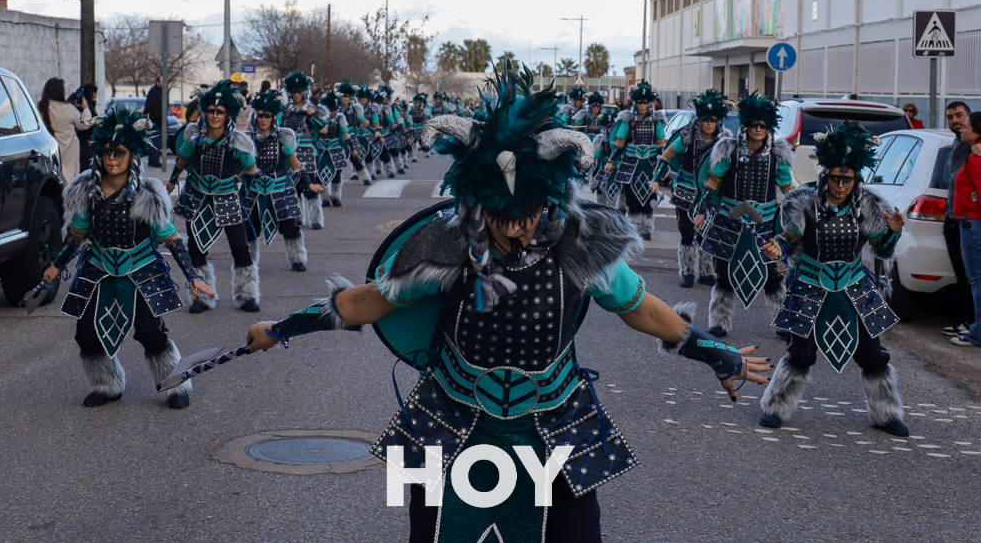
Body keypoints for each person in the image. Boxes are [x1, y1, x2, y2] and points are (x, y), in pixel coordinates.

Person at [244, 66, 770, 542]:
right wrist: (283, 326)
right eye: (500, 212)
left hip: (556, 417)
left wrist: (710, 352)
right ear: (476, 201)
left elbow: (638, 307)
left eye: (528, 211)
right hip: (448, 416)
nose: (515, 226)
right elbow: (366, 303)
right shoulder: (445, 247)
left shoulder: (579, 246)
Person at [43, 108, 212, 409]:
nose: (111, 159)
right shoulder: (88, 190)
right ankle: (107, 384)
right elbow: (77, 235)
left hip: (142, 270)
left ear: (132, 155)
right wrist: (56, 266)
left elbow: (171, 238)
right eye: (106, 152)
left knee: (150, 332)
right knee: (86, 335)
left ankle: (175, 384)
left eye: (118, 152)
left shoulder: (148, 193)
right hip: (98, 269)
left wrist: (193, 276)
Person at [759, 121, 908, 436]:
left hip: (854, 288)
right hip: (810, 286)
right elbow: (789, 236)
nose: (841, 186)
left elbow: (882, 250)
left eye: (848, 179)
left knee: (872, 354)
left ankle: (887, 413)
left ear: (856, 178)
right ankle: (775, 407)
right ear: (825, 176)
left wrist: (892, 231)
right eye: (836, 179)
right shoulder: (802, 200)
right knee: (801, 353)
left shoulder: (867, 204)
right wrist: (778, 246)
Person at [694, 92, 794, 338]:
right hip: (730, 221)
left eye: (763, 125)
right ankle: (719, 322)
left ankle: (783, 322)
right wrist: (701, 210)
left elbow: (788, 189)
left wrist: (796, 217)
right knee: (725, 274)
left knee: (770, 274)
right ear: (746, 125)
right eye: (754, 125)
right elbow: (713, 180)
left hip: (765, 224)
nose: (758, 129)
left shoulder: (777, 154)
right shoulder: (728, 149)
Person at [167, 80, 261, 313]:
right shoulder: (193, 137)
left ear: (227, 113)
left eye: (219, 111)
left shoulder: (239, 142)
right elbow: (182, 160)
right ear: (205, 111)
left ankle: (247, 295)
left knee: (240, 246)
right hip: (196, 197)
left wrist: (246, 188)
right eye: (211, 111)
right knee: (196, 250)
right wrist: (171, 181)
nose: (214, 116)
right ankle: (202, 296)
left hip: (228, 198)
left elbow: (250, 168)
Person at [650, 89, 729, 288]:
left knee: (707, 231)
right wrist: (656, 179)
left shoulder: (724, 142)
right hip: (685, 190)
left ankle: (706, 271)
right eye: (705, 120)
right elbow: (666, 156)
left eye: (713, 120)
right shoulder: (686, 136)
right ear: (699, 120)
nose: (709, 124)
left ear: (718, 121)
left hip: (711, 195)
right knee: (686, 231)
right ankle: (686, 272)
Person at [243, 89, 322, 272]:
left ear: (273, 118)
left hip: (280, 188)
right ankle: (248, 260)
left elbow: (295, 164)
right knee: (249, 228)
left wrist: (307, 182)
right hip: (253, 190)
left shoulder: (283, 137)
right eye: (260, 116)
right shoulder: (246, 139)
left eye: (267, 116)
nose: (263, 120)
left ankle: (297, 257)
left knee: (290, 226)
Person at [603, 82, 666, 240]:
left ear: (649, 103)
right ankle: (632, 227)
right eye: (640, 102)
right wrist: (611, 161)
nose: (643, 106)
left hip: (650, 165)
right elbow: (619, 143)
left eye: (645, 102)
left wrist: (663, 165)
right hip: (631, 165)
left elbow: (661, 147)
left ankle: (646, 227)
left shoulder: (656, 122)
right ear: (635, 103)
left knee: (648, 198)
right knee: (632, 199)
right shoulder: (628, 121)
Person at [941, 101, 977, 338]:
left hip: (969, 219)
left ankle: (972, 323)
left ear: (970, 117)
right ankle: (969, 321)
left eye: (959, 115)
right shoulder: (957, 142)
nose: (955, 120)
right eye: (951, 117)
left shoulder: (974, 147)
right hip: (953, 216)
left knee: (972, 276)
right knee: (964, 275)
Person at [949, 111, 981, 348]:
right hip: (970, 222)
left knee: (977, 280)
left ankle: (977, 333)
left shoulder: (976, 157)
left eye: (966, 125)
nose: (962, 128)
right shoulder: (973, 154)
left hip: (973, 224)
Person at [281, 72, 326, 229]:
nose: (297, 95)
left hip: (307, 150)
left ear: (304, 92)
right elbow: (279, 129)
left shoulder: (311, 109)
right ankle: (298, 217)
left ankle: (316, 218)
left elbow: (324, 128)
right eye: (294, 92)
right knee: (293, 186)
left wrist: (312, 116)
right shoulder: (285, 110)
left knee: (310, 185)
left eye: (300, 92)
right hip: (290, 151)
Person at [37, 77, 94, 184]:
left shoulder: (41, 108)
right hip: (69, 153)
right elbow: (85, 124)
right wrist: (86, 108)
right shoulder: (68, 109)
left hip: (50, 151)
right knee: (69, 180)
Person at [143, 76, 164, 167]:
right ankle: (154, 161)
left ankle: (153, 160)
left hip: (157, 121)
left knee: (156, 141)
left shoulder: (159, 91)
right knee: (156, 141)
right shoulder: (154, 92)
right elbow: (153, 107)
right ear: (157, 82)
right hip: (155, 121)